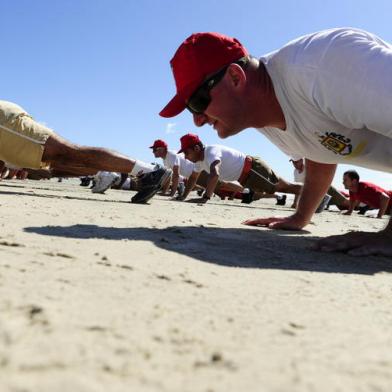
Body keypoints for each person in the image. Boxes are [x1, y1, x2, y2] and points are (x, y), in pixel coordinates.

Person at [160, 28, 392, 256]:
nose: (197, 121)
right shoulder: (261, 113)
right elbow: (320, 150)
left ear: (235, 77)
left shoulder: (322, 66)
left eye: (197, 103)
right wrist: (301, 216)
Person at [0, 100, 169, 203]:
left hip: (4, 123)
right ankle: (105, 173)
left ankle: (148, 171)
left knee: (68, 153)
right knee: (59, 162)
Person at [175, 133, 300, 204]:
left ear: (196, 148)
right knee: (282, 188)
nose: (186, 157)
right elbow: (193, 178)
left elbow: (215, 174)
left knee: (284, 187)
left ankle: (316, 193)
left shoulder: (211, 152)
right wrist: (184, 196)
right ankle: (315, 193)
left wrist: (205, 197)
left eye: (186, 153)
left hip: (253, 169)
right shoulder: (199, 161)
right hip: (247, 177)